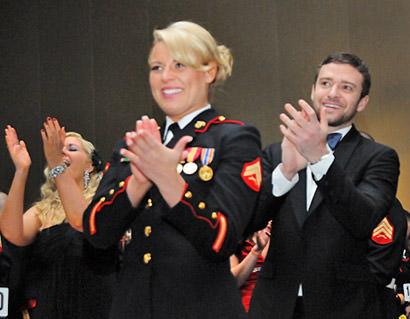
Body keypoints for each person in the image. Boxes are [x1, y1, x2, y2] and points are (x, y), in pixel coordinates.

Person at [83, 21, 262, 319]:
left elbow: (222, 239)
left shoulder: (234, 138)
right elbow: (95, 233)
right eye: (156, 67)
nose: (166, 77)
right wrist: (137, 184)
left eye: (179, 65)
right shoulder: (133, 144)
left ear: (209, 71)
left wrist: (168, 179)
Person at [248, 52, 400, 319]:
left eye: (346, 87)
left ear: (362, 102)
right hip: (274, 304)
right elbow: (249, 220)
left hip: (344, 305)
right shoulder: (276, 153)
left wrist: (319, 158)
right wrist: (286, 172)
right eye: (326, 83)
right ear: (313, 90)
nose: (333, 93)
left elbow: (363, 219)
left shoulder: (379, 157)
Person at [0, 120, 118, 319]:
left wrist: (56, 164)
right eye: (59, 150)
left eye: (71, 148)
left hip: (95, 306)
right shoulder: (44, 208)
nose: (62, 153)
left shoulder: (103, 201)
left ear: (90, 165)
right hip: (50, 307)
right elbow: (12, 235)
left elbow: (81, 220)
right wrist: (21, 170)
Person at [230, 221, 271, 311]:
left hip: (274, 305)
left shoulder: (284, 239)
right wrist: (256, 250)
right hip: (246, 307)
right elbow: (233, 282)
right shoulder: (238, 239)